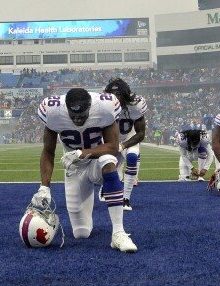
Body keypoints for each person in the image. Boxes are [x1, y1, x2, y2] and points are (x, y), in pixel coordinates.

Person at [31, 88, 137, 253]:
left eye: (82, 116)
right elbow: (48, 151)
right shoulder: (52, 112)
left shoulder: (104, 106)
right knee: (81, 233)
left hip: (96, 161)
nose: (78, 120)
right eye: (73, 117)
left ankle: (118, 233)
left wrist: (82, 153)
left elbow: (112, 147)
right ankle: (88, 207)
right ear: (65, 108)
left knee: (108, 160)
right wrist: (44, 187)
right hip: (74, 170)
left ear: (90, 107)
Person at [104, 78, 147, 211]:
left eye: (118, 95)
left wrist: (123, 146)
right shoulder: (104, 104)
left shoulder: (136, 105)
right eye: (113, 96)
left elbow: (140, 134)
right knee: (108, 166)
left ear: (125, 95)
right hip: (112, 138)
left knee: (133, 158)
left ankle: (126, 198)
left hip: (129, 137)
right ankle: (103, 187)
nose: (115, 99)